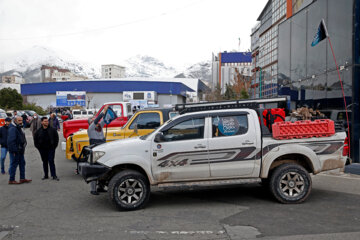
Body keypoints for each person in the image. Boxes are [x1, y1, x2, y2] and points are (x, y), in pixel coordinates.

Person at [87, 105, 108, 195]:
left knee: (104, 169)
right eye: (93, 121)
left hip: (103, 151)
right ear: (91, 123)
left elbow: (107, 119)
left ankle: (100, 187)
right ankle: (93, 189)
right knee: (95, 171)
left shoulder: (100, 127)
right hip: (95, 151)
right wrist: (103, 111)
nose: (98, 123)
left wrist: (108, 112)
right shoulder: (90, 129)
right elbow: (97, 120)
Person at [8, 116, 32, 184]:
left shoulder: (19, 127)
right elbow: (11, 141)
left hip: (20, 150)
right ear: (15, 121)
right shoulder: (13, 128)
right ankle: (11, 179)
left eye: (21, 120)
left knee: (22, 163)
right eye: (19, 120)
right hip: (16, 150)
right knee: (14, 164)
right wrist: (14, 150)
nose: (21, 122)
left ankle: (22, 178)